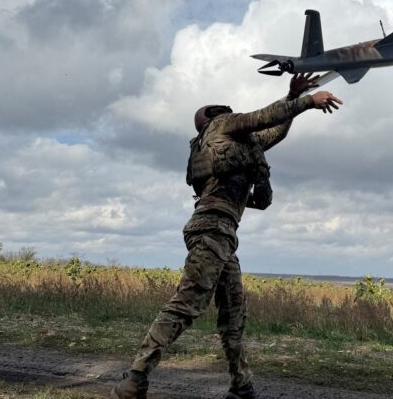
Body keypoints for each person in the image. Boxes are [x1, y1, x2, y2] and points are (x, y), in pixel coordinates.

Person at [112, 73, 343, 399]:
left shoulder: (236, 143)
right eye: (212, 110)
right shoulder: (222, 126)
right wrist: (305, 101)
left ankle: (241, 386)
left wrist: (292, 99)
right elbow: (264, 117)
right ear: (211, 119)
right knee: (186, 305)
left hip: (221, 235)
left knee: (233, 315)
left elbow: (274, 130)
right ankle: (135, 378)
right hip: (212, 231)